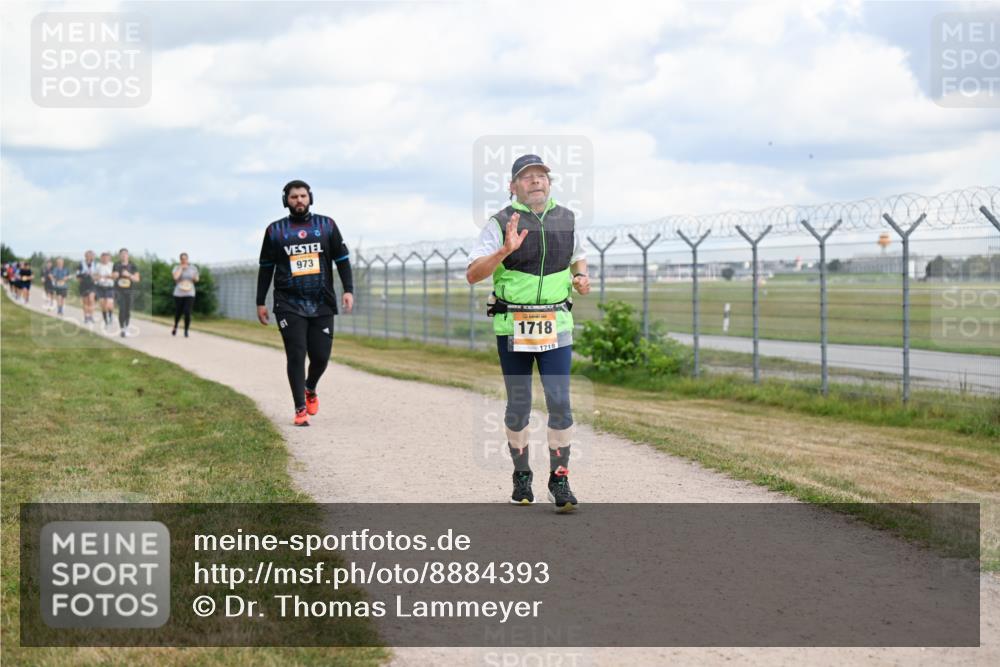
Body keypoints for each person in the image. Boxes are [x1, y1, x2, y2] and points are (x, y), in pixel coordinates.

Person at [466, 154, 590, 512]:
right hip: (513, 326)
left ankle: (560, 478)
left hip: (556, 324)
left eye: (541, 176)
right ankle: (522, 474)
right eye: (527, 177)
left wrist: (581, 276)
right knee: (519, 405)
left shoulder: (566, 219)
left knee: (560, 402)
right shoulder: (499, 222)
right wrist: (505, 249)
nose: (536, 181)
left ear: (549, 183)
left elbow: (577, 256)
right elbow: (473, 274)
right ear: (513, 186)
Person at [256, 179, 354, 426]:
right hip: (288, 302)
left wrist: (348, 290)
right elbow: (266, 269)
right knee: (296, 354)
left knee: (320, 357)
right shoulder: (275, 231)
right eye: (293, 197)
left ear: (310, 197)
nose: (298, 200)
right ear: (285, 201)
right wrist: (260, 301)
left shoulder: (327, 225)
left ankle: (310, 387)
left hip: (321, 301)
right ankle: (300, 408)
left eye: (302, 196)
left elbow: (342, 260)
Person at [112, 248, 140, 337]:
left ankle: (126, 327)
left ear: (128, 255)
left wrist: (129, 275)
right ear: (119, 255)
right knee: (122, 309)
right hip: (119, 290)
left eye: (125, 254)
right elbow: (113, 276)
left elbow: (137, 279)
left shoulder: (133, 266)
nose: (124, 255)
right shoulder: (116, 265)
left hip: (129, 291)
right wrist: (115, 275)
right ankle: (122, 329)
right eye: (122, 254)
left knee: (127, 310)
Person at [171, 252, 200, 337]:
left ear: (188, 259)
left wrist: (194, 277)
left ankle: (186, 330)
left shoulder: (193, 268)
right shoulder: (176, 267)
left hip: (190, 292)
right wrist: (181, 268)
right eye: (182, 259)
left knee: (187, 312)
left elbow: (196, 279)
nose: (184, 260)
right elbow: (175, 278)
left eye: (185, 259)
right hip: (179, 293)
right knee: (178, 312)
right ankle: (175, 325)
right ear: (180, 260)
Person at [94, 252, 116, 329]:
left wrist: (108, 276)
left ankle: (110, 316)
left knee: (109, 304)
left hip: (109, 286)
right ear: (101, 258)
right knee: (103, 305)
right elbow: (94, 276)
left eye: (106, 257)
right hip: (100, 287)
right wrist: (97, 277)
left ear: (109, 258)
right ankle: (106, 322)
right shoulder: (98, 266)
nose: (105, 259)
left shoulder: (112, 265)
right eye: (103, 257)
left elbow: (115, 276)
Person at [77, 250, 98, 324]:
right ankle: (86, 316)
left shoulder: (95, 264)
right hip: (84, 284)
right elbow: (78, 275)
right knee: (86, 302)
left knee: (91, 300)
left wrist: (94, 277)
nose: (90, 256)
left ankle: (91, 316)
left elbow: (98, 275)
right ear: (85, 256)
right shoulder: (81, 264)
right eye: (88, 255)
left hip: (92, 284)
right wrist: (82, 280)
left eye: (91, 255)